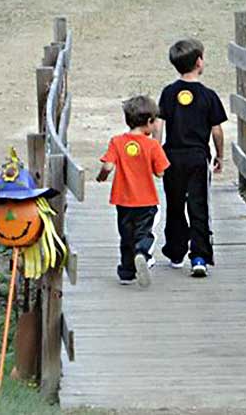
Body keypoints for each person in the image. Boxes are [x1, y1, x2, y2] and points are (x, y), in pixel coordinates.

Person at [156, 39, 227, 278]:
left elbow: (158, 125)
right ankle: (199, 256)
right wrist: (220, 155)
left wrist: (156, 154)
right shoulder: (208, 95)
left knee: (174, 205)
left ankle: (175, 252)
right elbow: (216, 130)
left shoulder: (168, 93)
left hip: (171, 157)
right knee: (198, 205)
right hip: (198, 158)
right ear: (199, 62)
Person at [97, 96, 170, 287]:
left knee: (126, 234)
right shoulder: (152, 145)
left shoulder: (117, 141)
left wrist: (101, 177)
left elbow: (107, 166)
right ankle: (142, 254)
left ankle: (127, 271)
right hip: (146, 200)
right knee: (145, 233)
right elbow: (161, 172)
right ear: (148, 122)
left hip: (123, 199)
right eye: (155, 122)